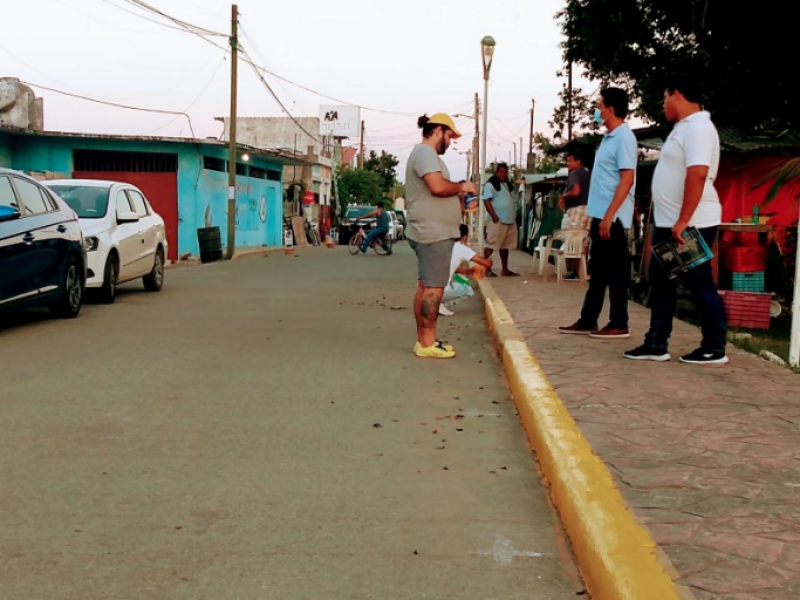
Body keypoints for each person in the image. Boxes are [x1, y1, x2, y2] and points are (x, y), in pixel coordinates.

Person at [624, 78, 728, 365]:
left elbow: (697, 174)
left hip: (689, 224)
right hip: (670, 223)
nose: (662, 102)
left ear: (677, 94)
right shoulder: (683, 128)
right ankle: (656, 343)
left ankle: (714, 347)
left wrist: (683, 220)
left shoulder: (699, 128)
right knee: (660, 282)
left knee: (698, 282)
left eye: (664, 95)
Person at [559, 87, 637, 339]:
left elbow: (627, 179)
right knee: (599, 271)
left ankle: (619, 322)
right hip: (601, 216)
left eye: (599, 105)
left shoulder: (625, 137)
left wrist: (609, 215)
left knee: (616, 271)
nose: (596, 109)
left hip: (612, 218)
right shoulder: (608, 138)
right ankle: (588, 319)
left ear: (610, 109)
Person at [405, 113, 477, 359]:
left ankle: (424, 341)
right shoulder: (425, 153)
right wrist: (462, 187)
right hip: (432, 233)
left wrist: (458, 196)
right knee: (434, 289)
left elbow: (437, 188)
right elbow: (437, 187)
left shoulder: (426, 155)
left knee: (426, 286)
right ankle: (427, 343)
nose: (451, 141)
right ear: (438, 130)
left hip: (431, 230)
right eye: (450, 135)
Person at [439, 224, 493, 316]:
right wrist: (490, 261)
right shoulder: (461, 248)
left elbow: (448, 267)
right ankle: (439, 305)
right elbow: (486, 263)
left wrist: (467, 271)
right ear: (464, 237)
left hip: (425, 287)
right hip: (441, 290)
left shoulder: (442, 246)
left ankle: (435, 303)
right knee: (468, 290)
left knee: (452, 283)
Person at [558, 150, 591, 280]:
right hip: (590, 209)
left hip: (578, 209)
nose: (568, 164)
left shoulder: (575, 173)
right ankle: (583, 271)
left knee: (574, 241)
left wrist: (563, 197)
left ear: (578, 161)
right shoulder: (590, 173)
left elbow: (576, 191)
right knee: (584, 241)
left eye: (570, 160)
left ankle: (578, 272)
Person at [482, 163, 518, 277]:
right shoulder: (490, 184)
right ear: (496, 172)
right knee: (491, 244)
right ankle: (486, 268)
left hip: (508, 220)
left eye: (505, 172)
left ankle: (505, 269)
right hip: (497, 221)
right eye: (500, 172)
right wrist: (494, 216)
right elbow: (486, 201)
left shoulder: (507, 185)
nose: (503, 174)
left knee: (505, 246)